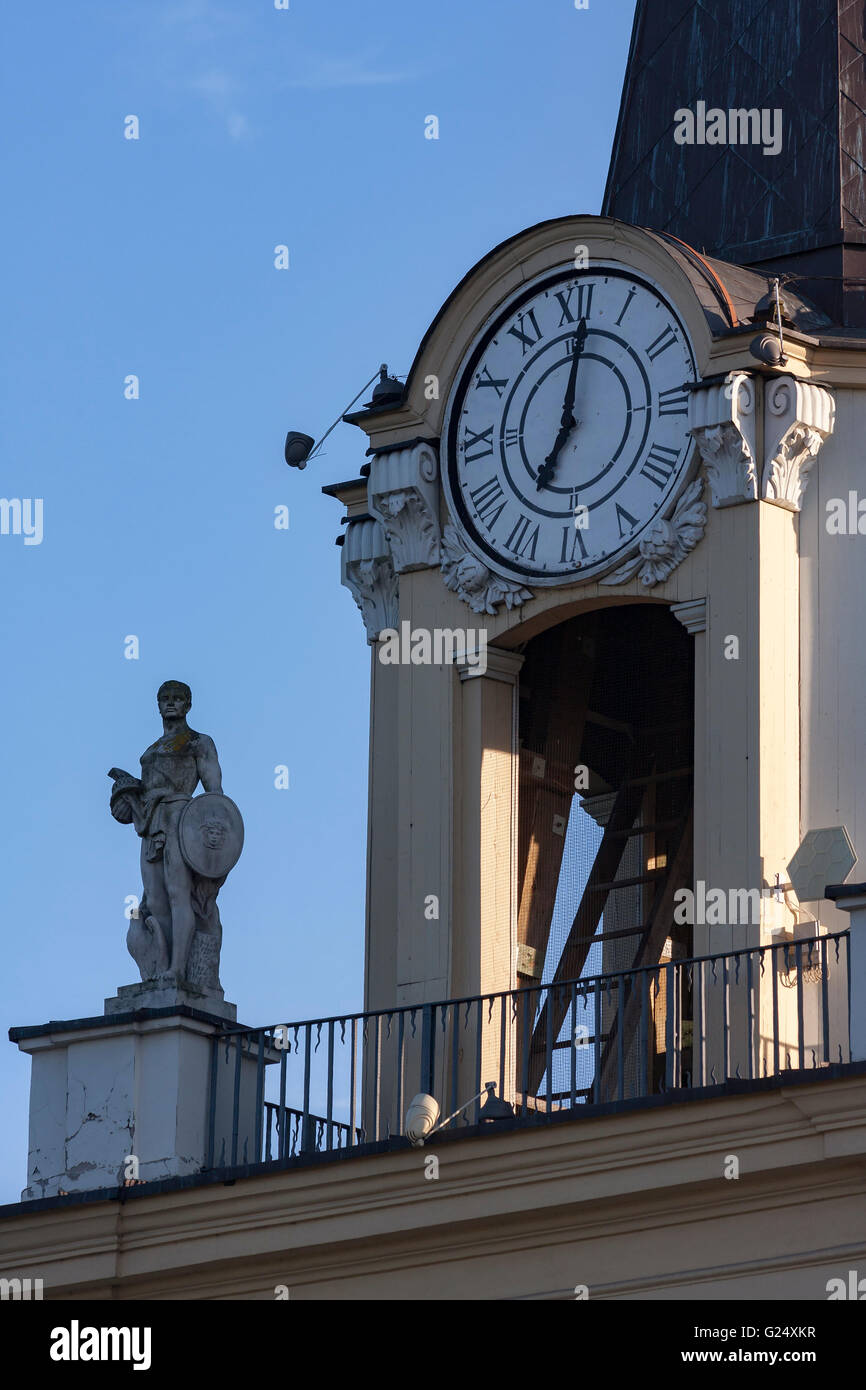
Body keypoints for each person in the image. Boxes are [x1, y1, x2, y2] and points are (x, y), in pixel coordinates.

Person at [109, 681, 225, 982]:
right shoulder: (151, 750)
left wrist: (213, 835)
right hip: (149, 822)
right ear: (158, 705)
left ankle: (178, 970)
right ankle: (162, 967)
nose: (170, 703)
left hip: (180, 819)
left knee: (178, 896)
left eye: (177, 699)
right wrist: (127, 795)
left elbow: (215, 793)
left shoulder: (198, 742)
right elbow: (146, 790)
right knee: (156, 901)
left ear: (188, 705)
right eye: (165, 699)